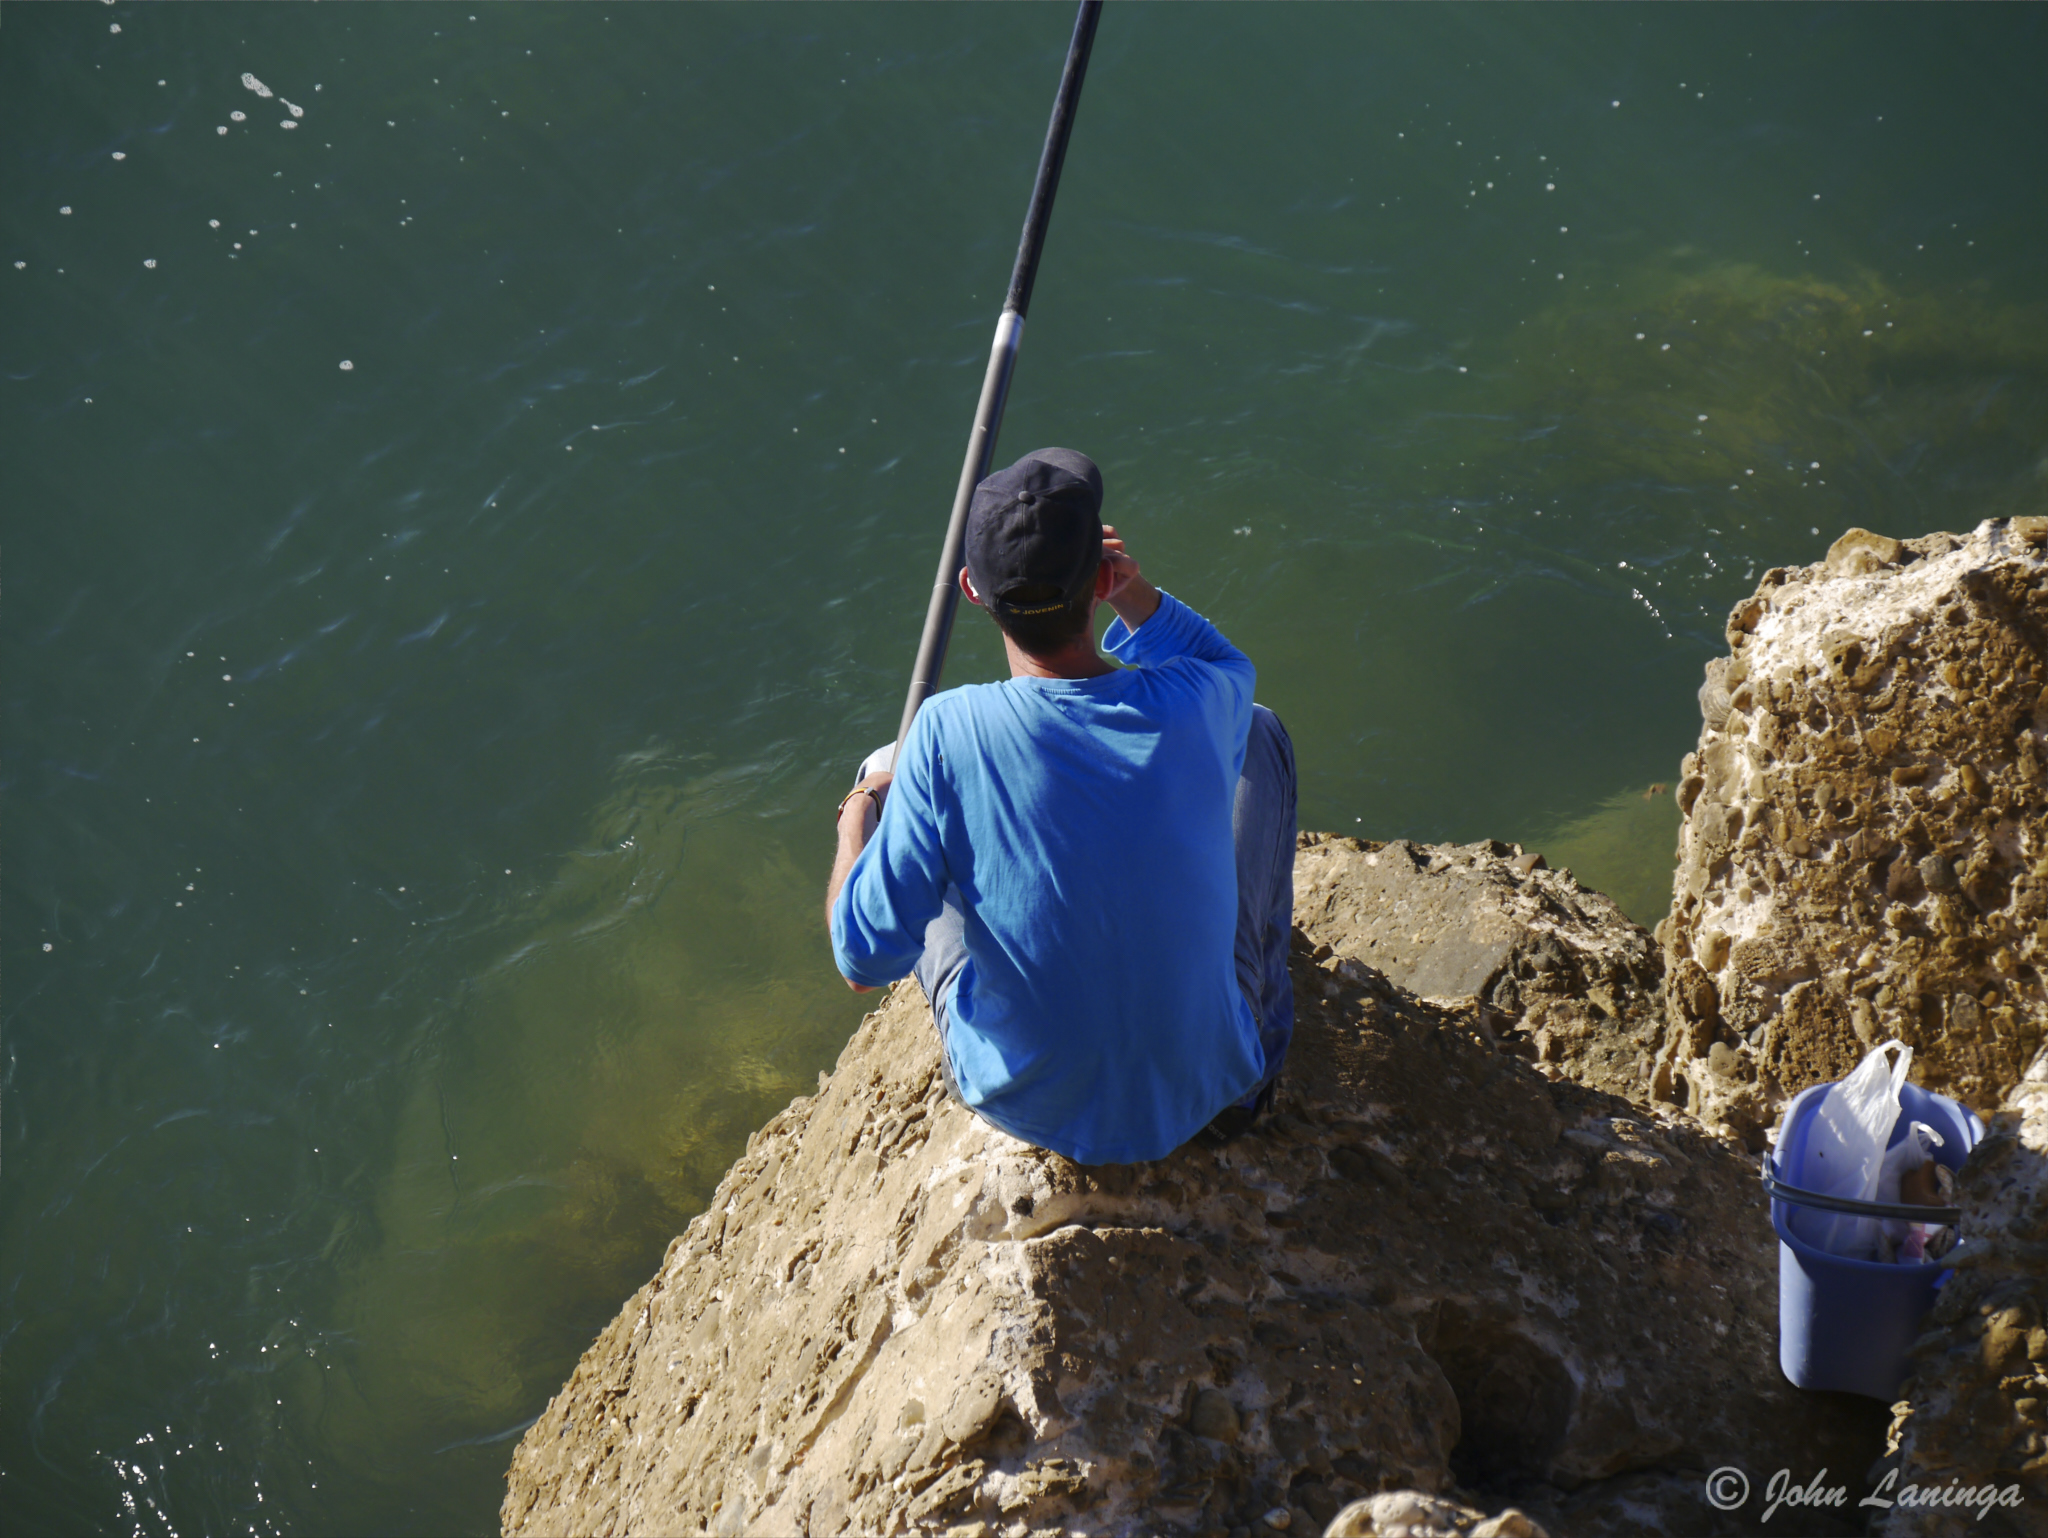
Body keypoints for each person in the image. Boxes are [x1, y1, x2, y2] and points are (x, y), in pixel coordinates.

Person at [825, 448, 1296, 1165]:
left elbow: (861, 962)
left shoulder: (946, 733)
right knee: (1258, 729)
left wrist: (858, 810)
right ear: (1102, 576)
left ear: (973, 592)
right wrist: (1130, 593)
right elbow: (1225, 661)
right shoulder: (1195, 701)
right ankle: (1256, 1052)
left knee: (889, 777)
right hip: (1212, 1094)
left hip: (1034, 1107)